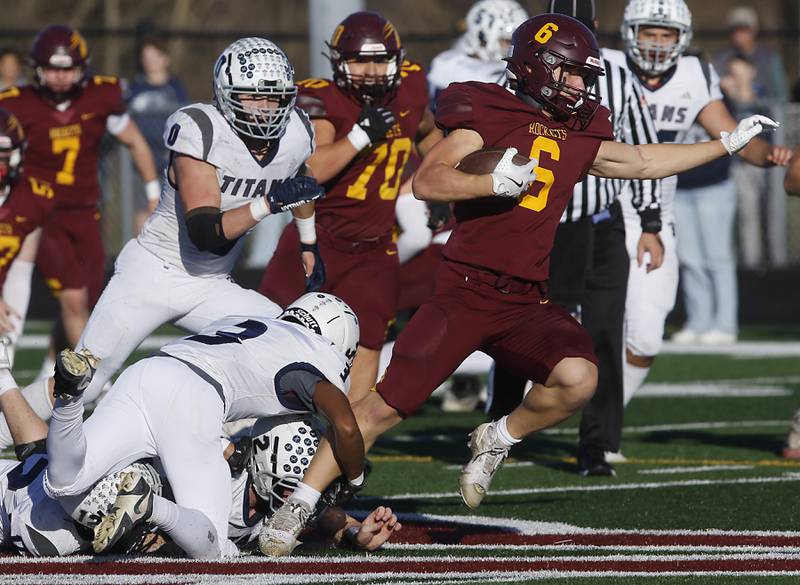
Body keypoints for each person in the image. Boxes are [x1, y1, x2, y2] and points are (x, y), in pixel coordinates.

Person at [257, 13, 780, 555]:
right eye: (572, 73)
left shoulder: (581, 125)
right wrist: (488, 182)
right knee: (382, 406)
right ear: (538, 67)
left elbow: (643, 160)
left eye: (584, 76)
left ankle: (497, 437)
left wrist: (725, 145)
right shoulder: (486, 107)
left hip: (526, 298)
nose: (581, 85)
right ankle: (298, 503)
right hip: (464, 291)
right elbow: (430, 179)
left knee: (579, 380)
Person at [0, 37, 325, 438]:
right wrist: (270, 202)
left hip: (211, 285)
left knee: (290, 345)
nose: (266, 108)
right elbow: (207, 233)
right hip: (152, 273)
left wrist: (308, 241)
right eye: (252, 97)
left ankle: (240, 453)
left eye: (274, 98)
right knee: (83, 384)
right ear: (226, 94)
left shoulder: (295, 132)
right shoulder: (201, 129)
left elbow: (301, 181)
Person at [44, 293, 365, 559]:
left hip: (146, 372)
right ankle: (151, 505)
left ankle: (69, 398)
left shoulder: (254, 323)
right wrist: (353, 478)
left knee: (63, 483)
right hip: (195, 396)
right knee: (212, 549)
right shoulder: (319, 354)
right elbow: (347, 427)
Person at [486, 0, 663, 477]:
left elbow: (641, 149)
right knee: (518, 327)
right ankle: (498, 424)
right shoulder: (521, 77)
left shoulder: (618, 76)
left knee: (605, 331)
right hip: (545, 223)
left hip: (600, 219)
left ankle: (597, 443)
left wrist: (650, 221)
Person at [608, 0, 791, 411]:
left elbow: (733, 135)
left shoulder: (694, 74)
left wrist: (773, 155)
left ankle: (604, 420)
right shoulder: (603, 67)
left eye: (665, 34)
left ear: (682, 38)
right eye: (648, 33)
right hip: (595, 213)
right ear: (629, 33)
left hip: (652, 217)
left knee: (647, 335)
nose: (656, 43)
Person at [259, 11, 441, 402]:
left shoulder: (410, 89)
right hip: (318, 239)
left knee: (369, 343)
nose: (371, 71)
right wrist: (360, 136)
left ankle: (347, 446)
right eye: (360, 60)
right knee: (270, 328)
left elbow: (427, 132)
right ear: (340, 63)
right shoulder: (323, 100)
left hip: (377, 247)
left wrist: (439, 186)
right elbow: (310, 169)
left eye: (379, 60)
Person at [0, 25, 160, 377]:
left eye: (68, 68)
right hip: (39, 215)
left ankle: (48, 372)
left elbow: (134, 141)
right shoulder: (16, 104)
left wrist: (152, 195)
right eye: (53, 68)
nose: (60, 77)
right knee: (74, 300)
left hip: (86, 212)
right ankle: (95, 386)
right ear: (38, 68)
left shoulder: (99, 97)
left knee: (87, 300)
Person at [424, 0, 528, 413]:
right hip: (443, 178)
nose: (506, 51)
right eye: (505, 41)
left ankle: (464, 382)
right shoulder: (448, 65)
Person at [714, 6, 788, 268]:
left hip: (770, 145)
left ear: (754, 31)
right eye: (735, 29)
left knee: (774, 208)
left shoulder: (769, 60)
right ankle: (752, 263)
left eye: (744, 29)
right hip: (740, 147)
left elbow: (780, 101)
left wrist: (751, 97)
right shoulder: (723, 60)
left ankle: (778, 261)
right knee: (746, 210)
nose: (739, 35)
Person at [671, 121, 737, 346]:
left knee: (717, 257)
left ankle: (725, 324)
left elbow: (731, 136)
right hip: (678, 187)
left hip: (713, 187)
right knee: (689, 259)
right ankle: (698, 321)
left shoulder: (713, 96)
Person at [126, 38, 190, 231]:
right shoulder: (135, 89)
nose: (150, 62)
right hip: (141, 160)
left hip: (169, 158)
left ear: (165, 60)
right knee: (143, 208)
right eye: (146, 58)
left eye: (154, 57)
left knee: (171, 208)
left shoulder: (175, 89)